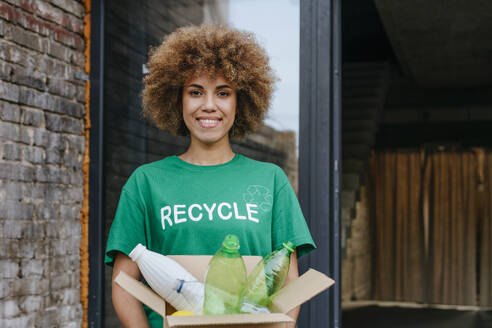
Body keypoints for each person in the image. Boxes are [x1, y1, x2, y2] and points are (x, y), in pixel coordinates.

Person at [105, 24, 316, 328]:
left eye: (222, 93)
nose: (208, 105)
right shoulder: (146, 182)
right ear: (177, 99)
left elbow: (288, 283)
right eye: (195, 92)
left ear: (239, 102)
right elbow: (124, 285)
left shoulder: (271, 180)